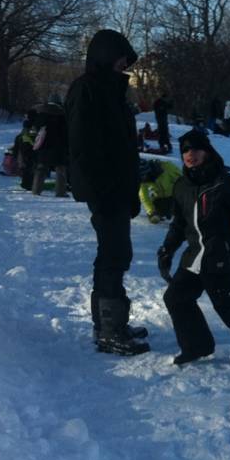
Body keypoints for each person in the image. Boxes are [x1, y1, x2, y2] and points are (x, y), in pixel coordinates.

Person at [157, 130, 230, 367]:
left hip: (220, 255)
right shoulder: (181, 186)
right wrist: (167, 249)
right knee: (176, 297)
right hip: (194, 257)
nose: (190, 155)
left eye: (196, 149)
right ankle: (197, 345)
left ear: (207, 152)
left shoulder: (222, 182)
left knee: (228, 304)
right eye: (185, 151)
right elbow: (179, 224)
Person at [65, 29, 149, 356]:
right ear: (104, 57)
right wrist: (101, 188)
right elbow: (83, 146)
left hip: (119, 187)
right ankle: (109, 330)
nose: (123, 67)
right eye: (119, 61)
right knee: (113, 255)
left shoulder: (113, 92)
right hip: (106, 190)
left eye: (126, 63)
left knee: (117, 254)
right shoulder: (87, 90)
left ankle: (111, 323)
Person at [32, 100, 68, 197]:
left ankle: (36, 190)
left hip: (44, 147)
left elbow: (35, 129)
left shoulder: (41, 115)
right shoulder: (63, 116)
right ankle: (60, 192)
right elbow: (66, 133)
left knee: (41, 169)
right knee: (60, 170)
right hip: (59, 147)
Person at [138, 158, 182, 223]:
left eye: (144, 175)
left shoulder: (167, 167)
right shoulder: (143, 180)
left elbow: (182, 181)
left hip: (176, 196)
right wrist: (151, 212)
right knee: (158, 214)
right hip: (160, 199)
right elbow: (144, 197)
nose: (143, 179)